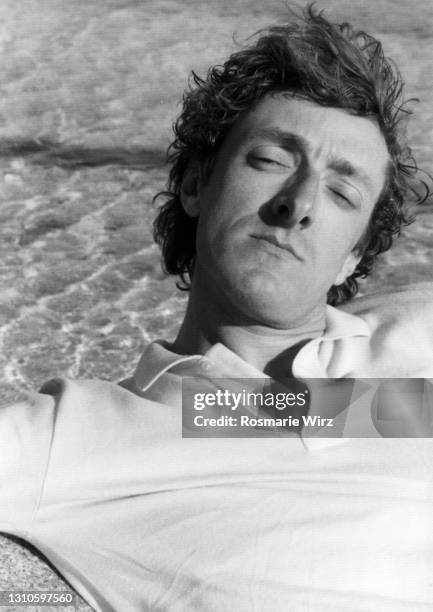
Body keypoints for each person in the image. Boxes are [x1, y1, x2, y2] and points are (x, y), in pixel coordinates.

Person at [1, 5, 432, 611]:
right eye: (272, 160)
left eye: (342, 191)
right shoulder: (83, 437)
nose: (300, 203)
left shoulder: (409, 353)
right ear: (197, 184)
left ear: (351, 256)